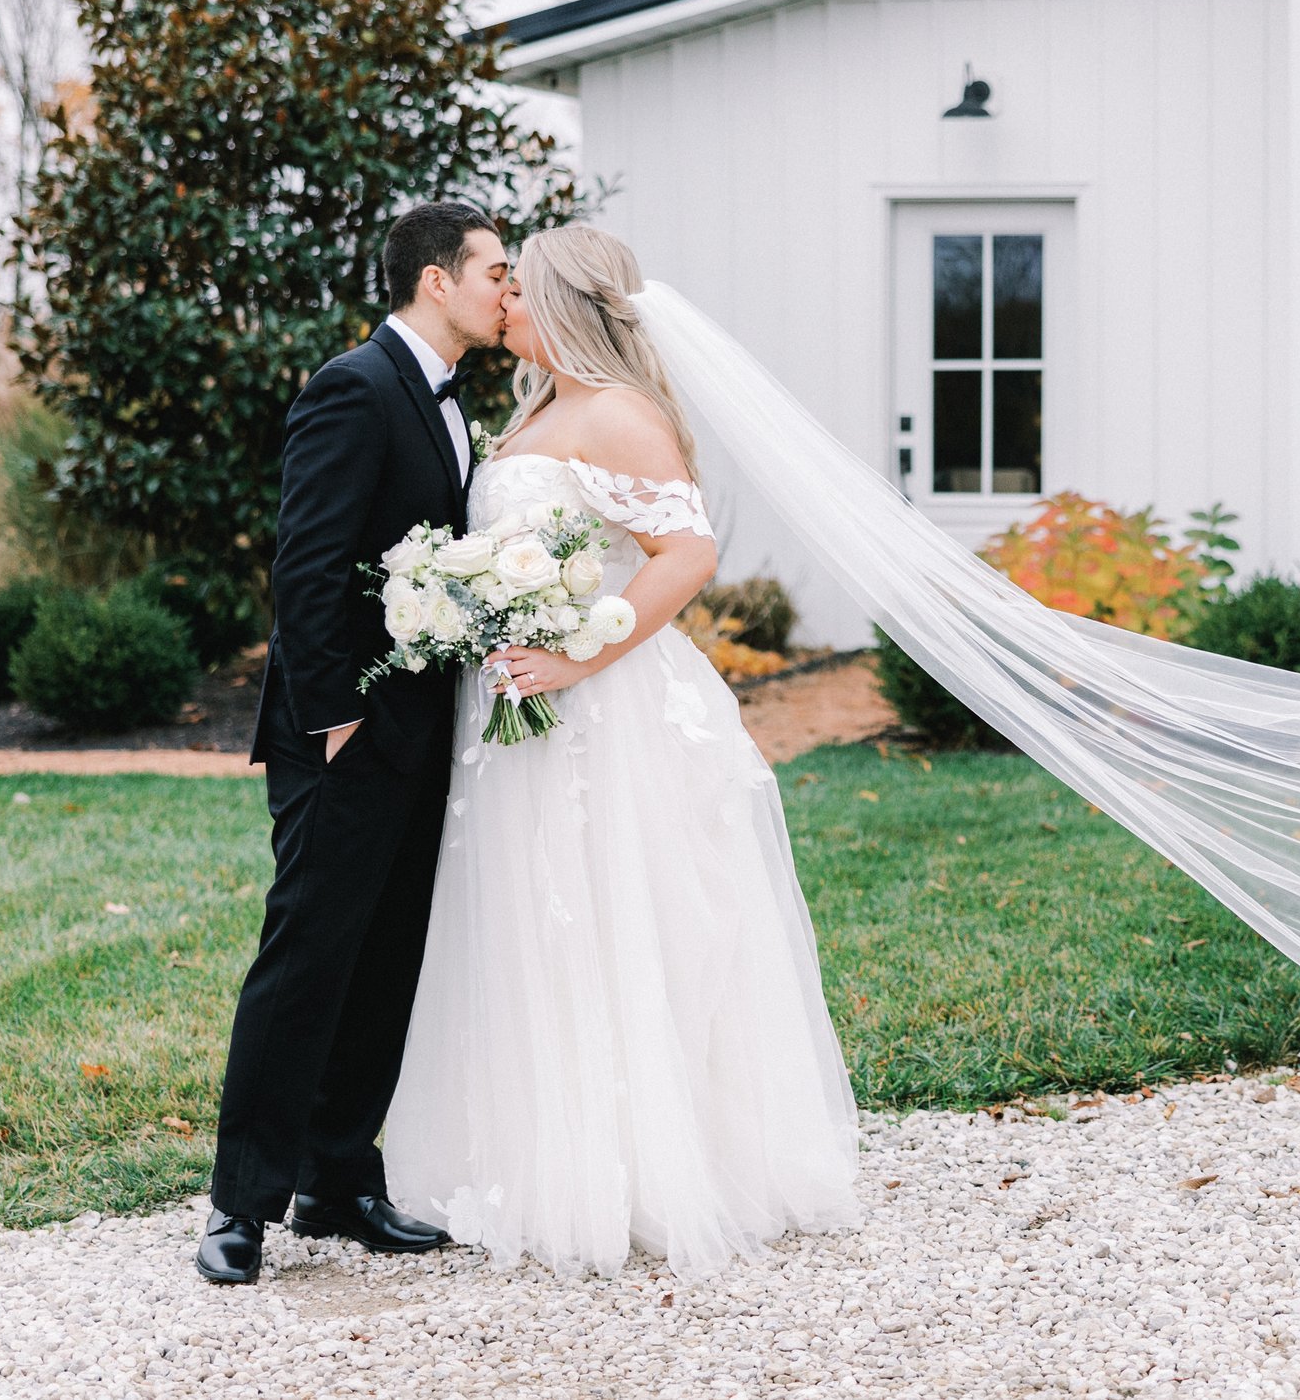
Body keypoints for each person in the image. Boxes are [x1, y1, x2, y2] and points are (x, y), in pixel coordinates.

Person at [380, 223, 861, 1275]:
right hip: (518, 706)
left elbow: (686, 551)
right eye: (496, 286)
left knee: (620, 913)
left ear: (561, 307)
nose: (502, 303)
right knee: (535, 918)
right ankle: (537, 1150)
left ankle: (644, 1168)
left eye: (517, 290)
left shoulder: (621, 413)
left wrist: (581, 655)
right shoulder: (538, 408)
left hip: (604, 705)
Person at [200, 201, 510, 1284]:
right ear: (437, 280)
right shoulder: (353, 386)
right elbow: (307, 564)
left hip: (426, 731)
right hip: (343, 733)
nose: (504, 292)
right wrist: (331, 717)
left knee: (386, 963)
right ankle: (240, 1204)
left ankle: (339, 1181)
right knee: (306, 958)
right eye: (493, 272)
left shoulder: (455, 401)